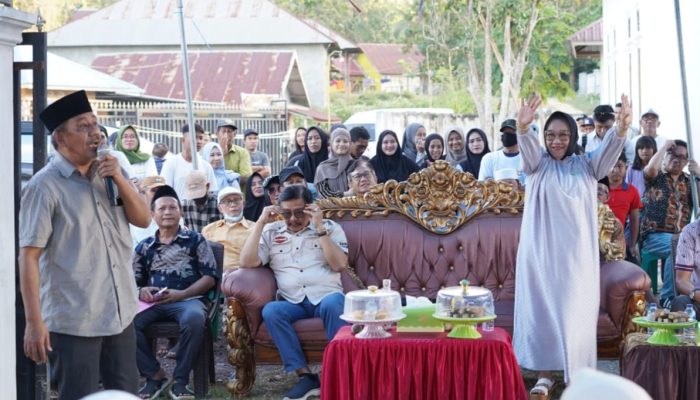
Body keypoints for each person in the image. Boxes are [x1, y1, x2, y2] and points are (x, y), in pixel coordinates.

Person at [19, 90, 151, 400]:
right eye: (83, 126)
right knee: (79, 395)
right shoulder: (44, 186)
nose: (94, 133)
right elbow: (28, 256)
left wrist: (118, 177)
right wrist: (34, 323)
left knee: (124, 395)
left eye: (95, 124)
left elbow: (144, 219)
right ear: (60, 140)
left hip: (120, 312)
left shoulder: (111, 170)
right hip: (74, 318)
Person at [512, 93, 630, 398]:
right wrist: (522, 128)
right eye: (550, 135)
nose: (556, 141)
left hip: (577, 257)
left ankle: (576, 375)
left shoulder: (588, 166)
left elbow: (609, 151)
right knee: (542, 312)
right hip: (540, 254)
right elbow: (527, 150)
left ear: (573, 136)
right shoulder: (537, 165)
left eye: (563, 135)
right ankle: (544, 375)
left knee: (574, 314)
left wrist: (621, 129)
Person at [239, 185, 348, 400]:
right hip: (292, 301)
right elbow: (247, 261)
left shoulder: (330, 227)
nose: (292, 219)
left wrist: (319, 228)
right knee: (271, 311)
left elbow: (339, 265)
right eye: (286, 213)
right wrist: (261, 222)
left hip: (326, 296)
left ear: (309, 208)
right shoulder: (272, 232)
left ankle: (339, 373)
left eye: (298, 212)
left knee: (335, 303)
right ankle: (305, 377)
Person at [133, 185, 219, 400]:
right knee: (123, 321)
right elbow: (131, 281)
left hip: (188, 300)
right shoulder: (144, 247)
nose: (168, 212)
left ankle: (180, 382)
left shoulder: (195, 240)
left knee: (194, 319)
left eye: (173, 207)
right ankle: (154, 375)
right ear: (152, 215)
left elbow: (209, 278)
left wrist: (182, 294)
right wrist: (141, 290)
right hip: (153, 303)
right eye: (162, 208)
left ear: (181, 212)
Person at [640, 139, 699, 308]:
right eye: (673, 155)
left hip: (683, 237)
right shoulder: (657, 176)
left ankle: (688, 294)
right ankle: (668, 297)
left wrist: (699, 175)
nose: (676, 160)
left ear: (686, 162)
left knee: (680, 242)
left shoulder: (689, 182)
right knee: (676, 244)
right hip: (654, 236)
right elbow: (650, 169)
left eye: (682, 157)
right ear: (665, 156)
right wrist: (665, 146)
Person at [202, 186, 254, 274]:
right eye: (226, 201)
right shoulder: (208, 229)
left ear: (243, 204)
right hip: (214, 276)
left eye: (237, 200)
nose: (233, 204)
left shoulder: (255, 228)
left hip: (243, 275)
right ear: (220, 208)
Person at [159, 123, 218, 200]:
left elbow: (212, 192)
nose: (199, 141)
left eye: (200, 138)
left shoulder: (206, 166)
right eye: (194, 137)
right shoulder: (171, 163)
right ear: (183, 140)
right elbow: (165, 192)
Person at [605, 152, 642, 262]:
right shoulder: (596, 188)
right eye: (611, 166)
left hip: (618, 241)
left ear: (626, 168)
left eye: (619, 166)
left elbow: (634, 220)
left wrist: (632, 244)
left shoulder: (632, 191)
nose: (615, 170)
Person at [479, 119, 524, 185]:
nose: (507, 136)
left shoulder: (526, 159)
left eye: (511, 133)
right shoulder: (489, 158)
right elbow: (483, 186)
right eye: (505, 133)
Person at [314, 128, 355, 198]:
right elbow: (323, 193)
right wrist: (345, 194)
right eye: (338, 141)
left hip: (356, 207)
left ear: (350, 144)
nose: (341, 144)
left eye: (345, 141)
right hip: (330, 208)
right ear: (332, 144)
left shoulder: (356, 165)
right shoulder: (322, 168)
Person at [671, 219, 700, 315]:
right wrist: (695, 294)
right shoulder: (691, 231)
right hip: (698, 297)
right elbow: (681, 281)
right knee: (680, 302)